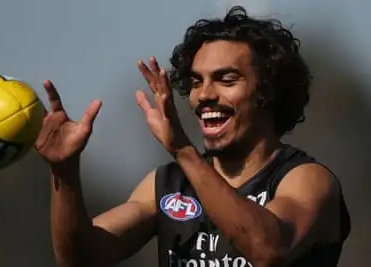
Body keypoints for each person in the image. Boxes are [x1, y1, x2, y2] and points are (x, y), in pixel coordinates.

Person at [34, 6, 350, 267]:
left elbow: (268, 250)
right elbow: (80, 258)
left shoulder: (307, 180)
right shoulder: (167, 185)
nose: (204, 95)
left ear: (268, 92)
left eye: (227, 79)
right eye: (197, 82)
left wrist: (183, 150)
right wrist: (64, 172)